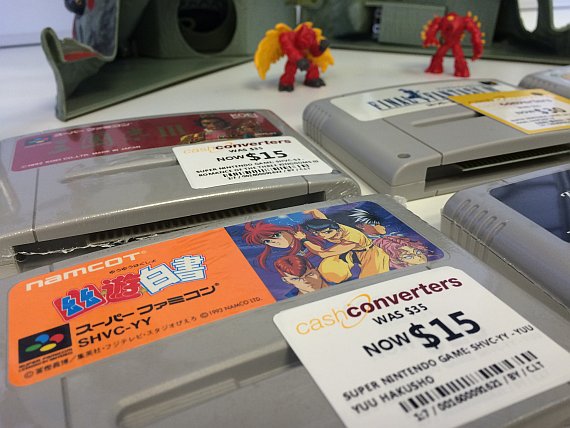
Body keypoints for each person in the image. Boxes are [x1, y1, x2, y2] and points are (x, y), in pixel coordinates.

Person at [295, 209, 390, 283]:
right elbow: (315, 212)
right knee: (329, 270)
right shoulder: (327, 224)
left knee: (373, 280)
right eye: (316, 232)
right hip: (349, 252)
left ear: (339, 230)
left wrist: (303, 239)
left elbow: (323, 253)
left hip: (370, 254)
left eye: (327, 232)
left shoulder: (352, 238)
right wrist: (303, 212)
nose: (322, 235)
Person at [242, 220, 325, 270]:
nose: (274, 242)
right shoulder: (290, 259)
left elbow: (321, 252)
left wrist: (303, 239)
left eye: (276, 235)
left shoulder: (316, 237)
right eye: (267, 241)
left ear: (289, 230)